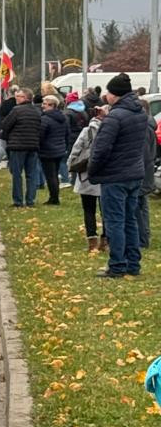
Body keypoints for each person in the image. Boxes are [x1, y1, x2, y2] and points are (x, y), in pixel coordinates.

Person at [88, 73, 149, 278]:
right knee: (130, 220)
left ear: (115, 95)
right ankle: (133, 263)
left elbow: (101, 149)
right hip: (134, 173)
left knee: (114, 221)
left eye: (109, 92)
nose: (106, 96)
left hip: (115, 176)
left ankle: (117, 265)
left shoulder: (115, 117)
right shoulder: (139, 112)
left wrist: (93, 170)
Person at [69, 103, 106, 254]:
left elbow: (76, 149)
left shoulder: (87, 131)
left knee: (88, 209)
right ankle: (106, 240)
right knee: (107, 210)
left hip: (87, 174)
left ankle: (92, 241)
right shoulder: (110, 131)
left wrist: (71, 165)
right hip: (105, 174)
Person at [1, 86, 42, 207]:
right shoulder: (37, 111)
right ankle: (30, 200)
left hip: (17, 146)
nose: (16, 98)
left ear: (25, 97)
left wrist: (6, 136)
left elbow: (6, 125)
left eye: (18, 96)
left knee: (17, 174)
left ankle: (18, 200)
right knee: (31, 174)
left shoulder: (16, 110)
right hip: (33, 145)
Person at [34, 94, 70, 207]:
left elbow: (40, 135)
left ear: (52, 105)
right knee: (55, 174)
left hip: (48, 151)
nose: (42, 106)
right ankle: (55, 196)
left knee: (51, 176)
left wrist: (38, 146)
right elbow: (67, 134)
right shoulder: (63, 118)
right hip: (59, 149)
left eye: (45, 104)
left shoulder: (45, 119)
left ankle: (53, 198)